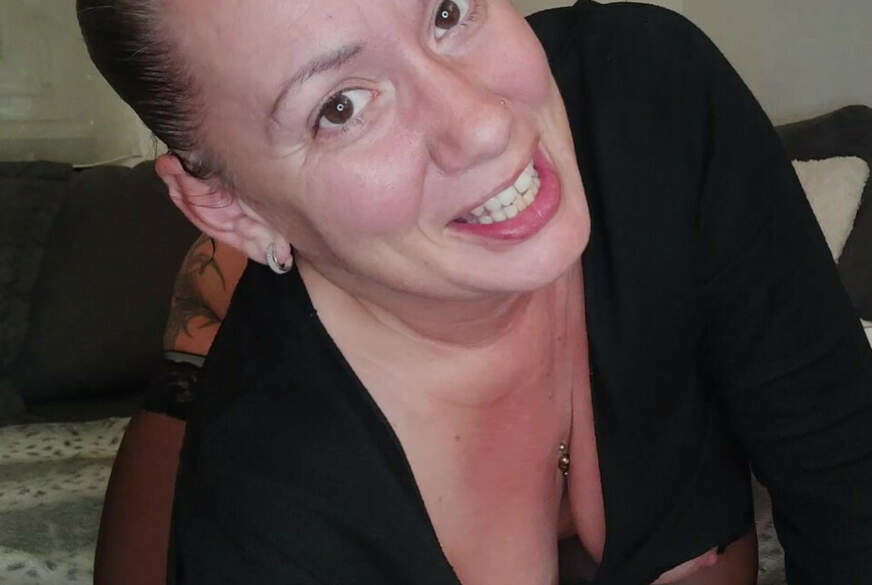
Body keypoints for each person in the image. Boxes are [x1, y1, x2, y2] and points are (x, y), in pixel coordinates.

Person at [79, 0, 872, 584]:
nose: (485, 124)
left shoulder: (656, 101)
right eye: (340, 108)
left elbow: (846, 479)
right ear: (231, 209)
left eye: (448, 11)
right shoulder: (266, 522)